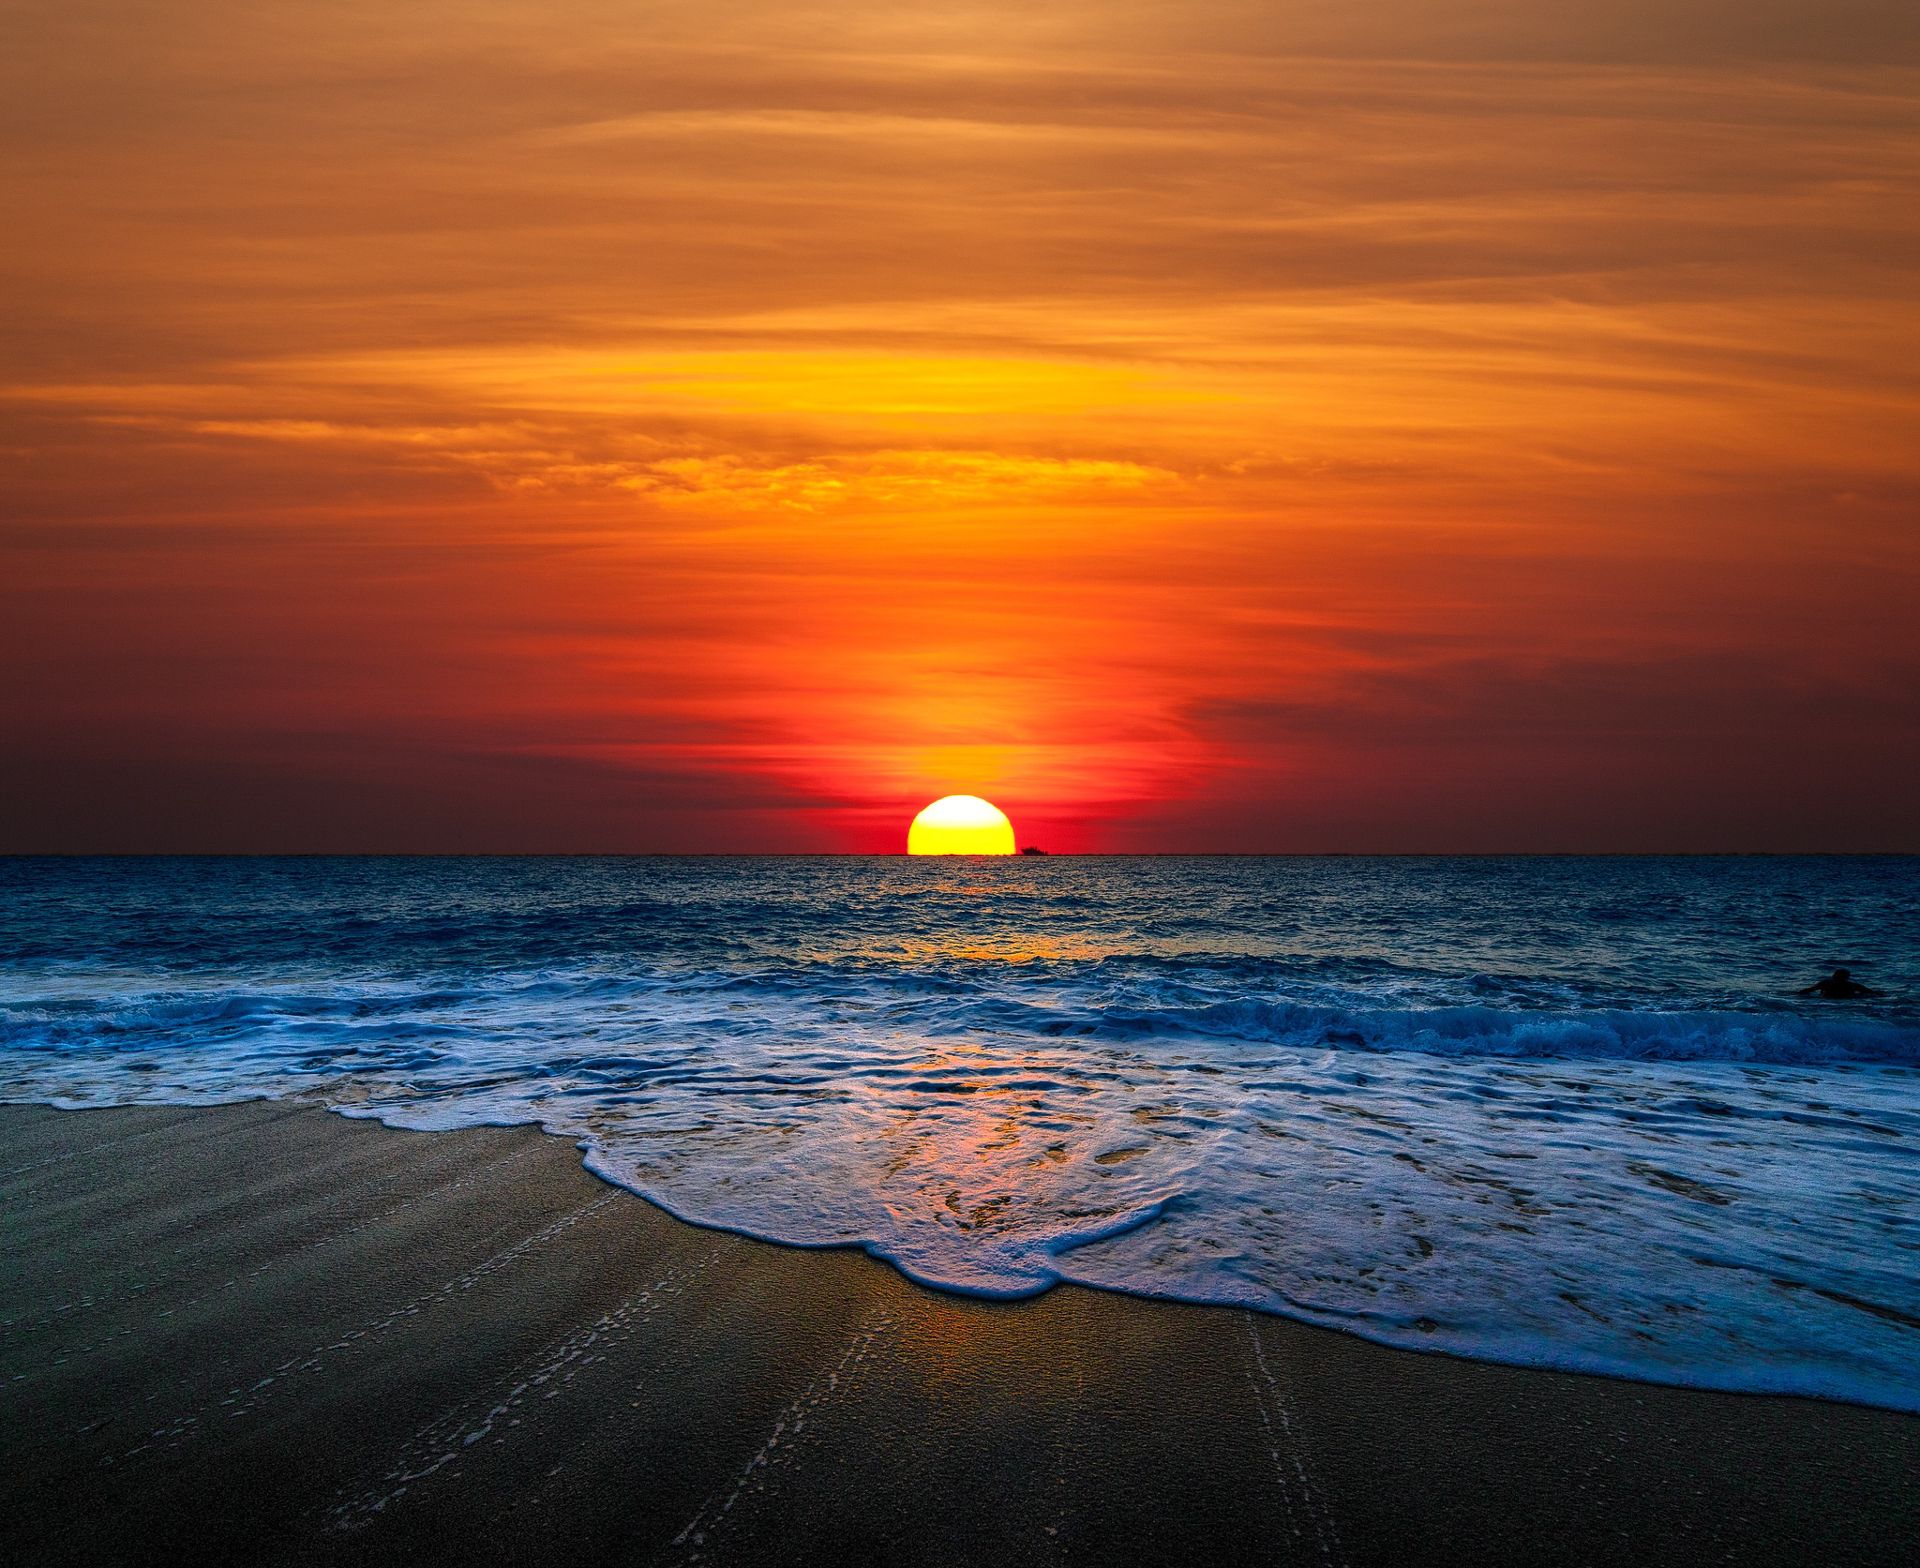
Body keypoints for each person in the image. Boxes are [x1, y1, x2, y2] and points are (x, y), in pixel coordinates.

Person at [1797, 967, 1881, 999]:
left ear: (1834, 976)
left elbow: (1809, 990)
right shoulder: (1853, 985)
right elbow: (1871, 992)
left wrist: (1798, 993)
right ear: (1847, 977)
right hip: (1848, 1000)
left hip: (1828, 1000)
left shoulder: (1826, 983)